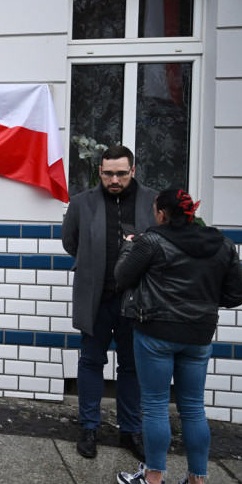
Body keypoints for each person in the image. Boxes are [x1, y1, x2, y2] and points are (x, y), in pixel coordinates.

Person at [113, 189, 242, 484]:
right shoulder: (222, 244)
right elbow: (238, 294)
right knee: (193, 408)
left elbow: (122, 277)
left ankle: (153, 481)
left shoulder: (151, 240)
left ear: (161, 213)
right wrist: (204, 301)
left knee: (156, 406)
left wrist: (129, 245)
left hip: (156, 332)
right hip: (199, 336)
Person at [61, 144, 154, 461]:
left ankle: (130, 431)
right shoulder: (81, 202)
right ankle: (89, 429)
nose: (115, 180)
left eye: (121, 173)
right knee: (90, 362)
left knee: (132, 367)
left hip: (137, 301)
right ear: (100, 172)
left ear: (133, 171)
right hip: (96, 298)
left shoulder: (152, 201)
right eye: (108, 173)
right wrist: (94, 261)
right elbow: (70, 242)